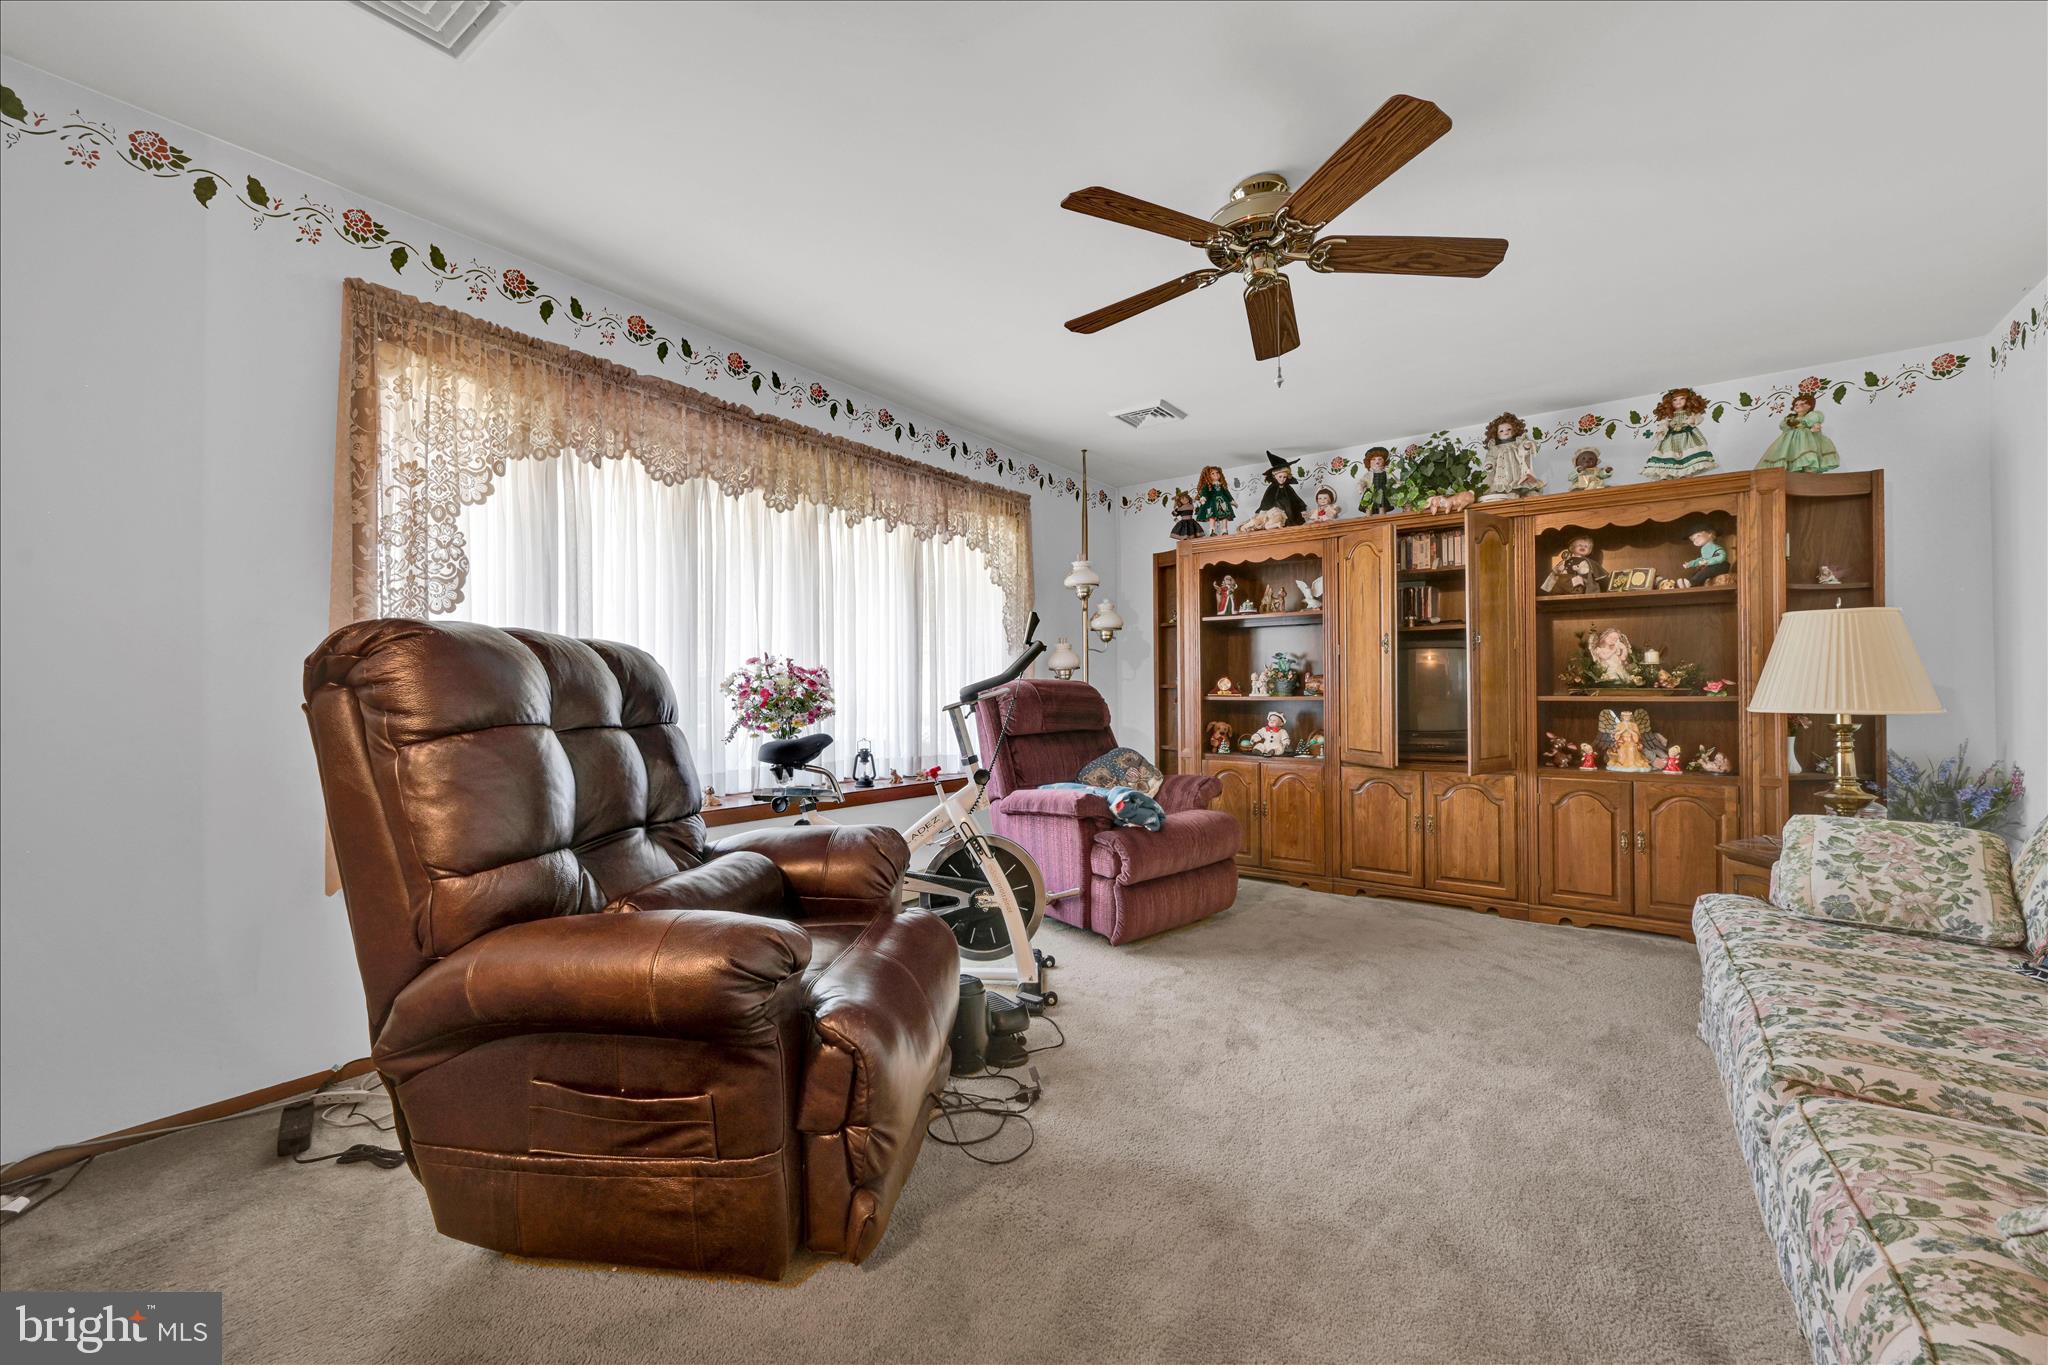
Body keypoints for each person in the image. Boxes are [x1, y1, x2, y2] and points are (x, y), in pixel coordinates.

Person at [1642, 387, 1717, 479]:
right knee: (1668, 453)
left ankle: (1685, 473)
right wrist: (1661, 431)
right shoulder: (1669, 415)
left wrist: (1692, 420)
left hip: (1687, 436)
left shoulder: (1689, 412)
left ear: (1688, 400)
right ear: (1670, 402)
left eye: (1682, 399)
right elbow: (1663, 424)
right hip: (1671, 437)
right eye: (1675, 400)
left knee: (1686, 454)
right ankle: (1664, 473)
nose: (1678, 401)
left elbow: (1698, 418)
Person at [1755, 393, 1841, 472]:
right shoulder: (1790, 418)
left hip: (1805, 441)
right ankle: (1792, 469)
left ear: (1809, 406)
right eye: (1796, 404)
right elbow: (1783, 426)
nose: (1798, 406)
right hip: (1790, 442)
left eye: (1802, 404)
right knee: (1788, 453)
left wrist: (1814, 426)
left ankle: (1807, 469)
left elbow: (1814, 422)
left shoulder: (1811, 416)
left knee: (1806, 454)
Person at [1480, 413, 1544, 500]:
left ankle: (1529, 494)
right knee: (1512, 496)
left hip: (1520, 478)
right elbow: (1490, 457)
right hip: (1505, 480)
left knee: (1532, 494)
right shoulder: (1495, 448)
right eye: (1501, 431)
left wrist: (1526, 446)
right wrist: (1489, 464)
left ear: (1515, 429)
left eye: (1509, 429)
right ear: (1496, 434)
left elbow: (1523, 452)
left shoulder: (1518, 443)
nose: (1505, 432)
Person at [1255, 451, 1308, 525]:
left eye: (1284, 477)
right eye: (1280, 476)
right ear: (1274, 476)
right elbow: (1266, 503)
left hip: (1290, 517)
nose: (1282, 479)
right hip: (1278, 517)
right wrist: (1260, 515)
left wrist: (1302, 509)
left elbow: (1295, 499)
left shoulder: (1288, 488)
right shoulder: (1272, 489)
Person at [1194, 466, 1236, 535]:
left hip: (1223, 503)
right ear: (1208, 476)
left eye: (1217, 472)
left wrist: (1232, 501)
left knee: (1224, 516)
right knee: (1212, 516)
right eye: (1212, 473)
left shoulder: (1222, 485)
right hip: (1212, 503)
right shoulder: (1208, 485)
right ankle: (1212, 530)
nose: (1216, 474)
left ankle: (1224, 530)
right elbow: (1204, 492)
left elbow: (1227, 493)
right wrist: (1203, 498)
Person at [1357, 446, 1396, 514]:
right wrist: (1360, 487)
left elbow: (1394, 480)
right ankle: (1368, 517)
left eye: (1380, 459)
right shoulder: (1369, 474)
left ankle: (1382, 517)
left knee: (1382, 505)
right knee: (1369, 505)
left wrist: (1398, 485)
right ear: (1369, 462)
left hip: (1382, 492)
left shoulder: (1387, 472)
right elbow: (1362, 481)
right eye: (1373, 459)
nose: (1377, 461)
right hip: (1371, 491)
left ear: (1385, 461)